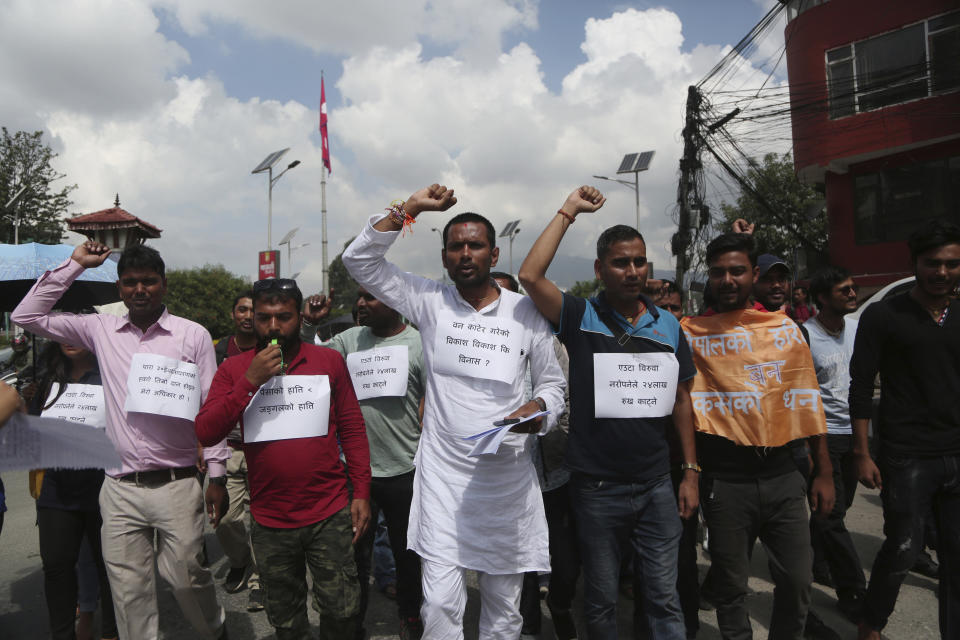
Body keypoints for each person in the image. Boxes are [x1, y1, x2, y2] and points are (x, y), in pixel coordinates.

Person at [342, 183, 566, 639]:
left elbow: (553, 383)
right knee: (441, 603)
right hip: (444, 480)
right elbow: (359, 260)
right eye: (456, 247)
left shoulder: (525, 314)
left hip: (507, 479)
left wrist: (540, 408)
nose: (466, 254)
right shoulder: (429, 301)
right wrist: (410, 209)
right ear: (444, 258)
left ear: (494, 253)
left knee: (504, 610)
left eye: (475, 245)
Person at [12, 241, 229, 640]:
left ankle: (215, 632)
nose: (139, 290)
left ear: (164, 285)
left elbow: (211, 405)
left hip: (176, 482)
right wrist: (74, 265)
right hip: (119, 488)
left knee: (186, 578)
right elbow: (27, 315)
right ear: (119, 288)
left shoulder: (192, 335)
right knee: (130, 594)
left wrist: (216, 473)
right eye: (130, 283)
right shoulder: (99, 330)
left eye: (149, 281)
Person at [519, 186, 698, 639]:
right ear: (600, 269)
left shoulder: (669, 325)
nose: (633, 271)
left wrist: (691, 472)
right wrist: (569, 211)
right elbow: (530, 275)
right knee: (599, 601)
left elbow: (680, 400)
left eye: (639, 261)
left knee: (662, 597)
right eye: (621, 262)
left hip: (658, 485)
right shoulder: (579, 316)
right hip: (596, 489)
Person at [195, 278, 371, 640]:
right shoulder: (234, 369)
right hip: (271, 519)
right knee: (287, 620)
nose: (274, 327)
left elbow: (352, 429)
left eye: (284, 317)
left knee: (342, 611)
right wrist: (250, 380)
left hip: (329, 512)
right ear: (253, 318)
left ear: (299, 315)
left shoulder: (328, 361)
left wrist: (362, 492)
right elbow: (207, 431)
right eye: (264, 317)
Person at [683, 232, 834, 640]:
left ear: (754, 275)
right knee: (732, 588)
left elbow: (806, 402)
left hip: (785, 475)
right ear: (709, 278)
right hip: (725, 481)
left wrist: (824, 472)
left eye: (737, 271)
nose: (727, 280)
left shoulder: (786, 332)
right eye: (718, 272)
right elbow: (681, 408)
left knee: (798, 582)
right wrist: (691, 473)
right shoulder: (689, 334)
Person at [850, 220, 960, 640]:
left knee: (957, 556)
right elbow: (860, 386)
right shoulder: (884, 314)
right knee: (902, 549)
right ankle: (871, 623)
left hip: (957, 451)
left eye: (952, 264)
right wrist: (862, 452)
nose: (943, 272)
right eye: (933, 263)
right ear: (915, 263)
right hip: (908, 454)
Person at [302, 285, 427, 639]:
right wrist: (307, 326)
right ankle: (353, 625)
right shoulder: (350, 339)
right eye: (358, 296)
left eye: (370, 297)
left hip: (407, 471)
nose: (360, 303)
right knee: (353, 558)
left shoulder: (419, 344)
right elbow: (311, 360)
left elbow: (434, 399)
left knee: (408, 555)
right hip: (356, 473)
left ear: (395, 302)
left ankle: (410, 615)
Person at [29, 338, 118, 640]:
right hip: (56, 489)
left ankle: (111, 633)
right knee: (56, 567)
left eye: (75, 331)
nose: (68, 340)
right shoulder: (47, 378)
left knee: (108, 567)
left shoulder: (111, 374)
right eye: (61, 333)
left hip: (103, 485)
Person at [804, 267, 866, 622]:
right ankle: (853, 589)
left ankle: (817, 562)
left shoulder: (858, 330)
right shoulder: (806, 336)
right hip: (822, 438)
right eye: (843, 290)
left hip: (854, 435)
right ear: (823, 298)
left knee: (832, 510)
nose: (852, 293)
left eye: (853, 288)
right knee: (831, 515)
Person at [212, 291, 264, 612]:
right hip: (227, 447)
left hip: (262, 449)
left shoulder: (272, 349)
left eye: (252, 311)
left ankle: (261, 577)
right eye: (241, 310)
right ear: (233, 314)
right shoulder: (218, 351)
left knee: (261, 519)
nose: (247, 316)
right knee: (226, 518)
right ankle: (241, 561)